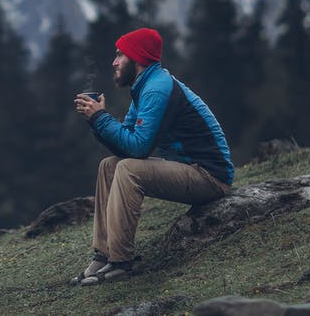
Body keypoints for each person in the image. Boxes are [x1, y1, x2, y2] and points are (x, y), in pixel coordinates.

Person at [70, 27, 234, 286]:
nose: (114, 62)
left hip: (210, 177)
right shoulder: (144, 86)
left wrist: (100, 118)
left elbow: (138, 149)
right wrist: (96, 120)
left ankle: (122, 262)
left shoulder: (157, 89)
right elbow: (126, 145)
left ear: (137, 58)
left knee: (129, 169)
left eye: (120, 55)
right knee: (110, 166)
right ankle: (104, 254)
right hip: (186, 168)